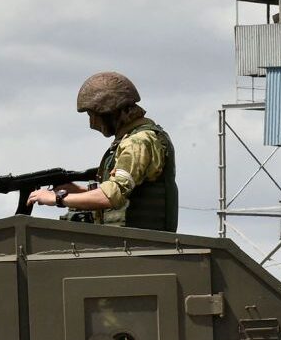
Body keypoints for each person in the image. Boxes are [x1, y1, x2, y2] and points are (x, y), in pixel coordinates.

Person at [27, 72, 178, 232]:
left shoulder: (138, 142)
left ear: (110, 113)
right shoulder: (136, 139)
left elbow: (112, 195)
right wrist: (80, 193)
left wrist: (57, 198)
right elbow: (125, 192)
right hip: (133, 244)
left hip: (139, 246)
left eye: (92, 115)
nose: (92, 123)